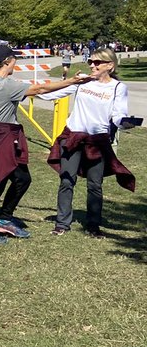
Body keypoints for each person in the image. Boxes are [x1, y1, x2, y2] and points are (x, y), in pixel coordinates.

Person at [0, 45, 90, 244]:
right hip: (1, 138)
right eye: (14, 59)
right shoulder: (4, 84)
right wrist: (72, 81)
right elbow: (40, 89)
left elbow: (41, 92)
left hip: (3, 135)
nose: (16, 62)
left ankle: (4, 219)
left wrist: (72, 86)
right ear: (8, 61)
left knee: (22, 179)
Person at [39, 47, 135, 237]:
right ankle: (62, 224)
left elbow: (118, 115)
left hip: (97, 141)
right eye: (90, 61)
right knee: (67, 180)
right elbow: (51, 94)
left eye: (97, 62)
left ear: (110, 65)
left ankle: (93, 226)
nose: (92, 65)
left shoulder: (117, 87)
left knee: (95, 185)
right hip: (73, 136)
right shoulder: (82, 80)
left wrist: (125, 124)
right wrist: (30, 91)